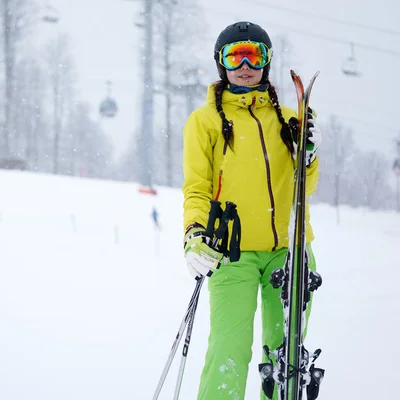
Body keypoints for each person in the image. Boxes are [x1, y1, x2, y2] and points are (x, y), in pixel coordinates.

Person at [182, 21, 322, 400]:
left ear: (267, 61)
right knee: (229, 350)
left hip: (288, 252)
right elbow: (197, 188)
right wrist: (194, 234)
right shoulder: (205, 121)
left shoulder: (291, 119)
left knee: (284, 357)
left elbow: (304, 189)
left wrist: (307, 156)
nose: (245, 64)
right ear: (221, 63)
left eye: (254, 54)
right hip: (232, 253)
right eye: (235, 55)